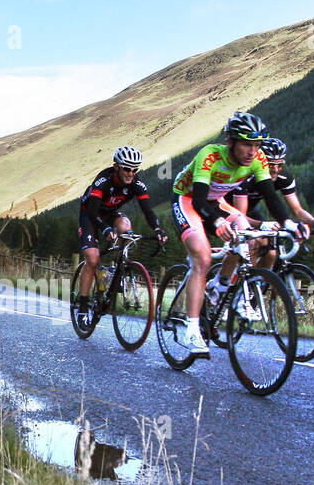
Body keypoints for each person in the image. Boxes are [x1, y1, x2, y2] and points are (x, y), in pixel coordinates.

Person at [170, 112, 299, 355]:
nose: (253, 151)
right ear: (231, 142)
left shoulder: (258, 159)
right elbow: (198, 200)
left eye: (257, 145)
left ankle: (221, 287)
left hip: (216, 200)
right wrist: (217, 220)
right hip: (188, 199)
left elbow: (271, 196)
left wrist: (289, 224)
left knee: (246, 232)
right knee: (203, 258)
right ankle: (192, 329)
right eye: (246, 144)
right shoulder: (209, 155)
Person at [73, 146, 167, 326]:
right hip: (90, 214)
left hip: (110, 214)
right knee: (92, 259)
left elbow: (147, 210)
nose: (131, 173)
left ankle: (118, 271)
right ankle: (83, 308)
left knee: (126, 227)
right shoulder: (103, 180)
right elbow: (93, 211)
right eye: (127, 168)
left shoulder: (137, 184)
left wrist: (157, 229)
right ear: (116, 166)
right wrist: (106, 230)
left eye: (134, 169)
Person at [233, 137, 314, 271]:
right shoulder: (245, 177)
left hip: (252, 211)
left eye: (279, 165)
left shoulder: (284, 178)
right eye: (270, 165)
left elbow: (297, 210)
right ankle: (244, 287)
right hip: (230, 211)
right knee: (254, 243)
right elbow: (239, 215)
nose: (275, 170)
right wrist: (262, 225)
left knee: (271, 253)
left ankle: (258, 285)